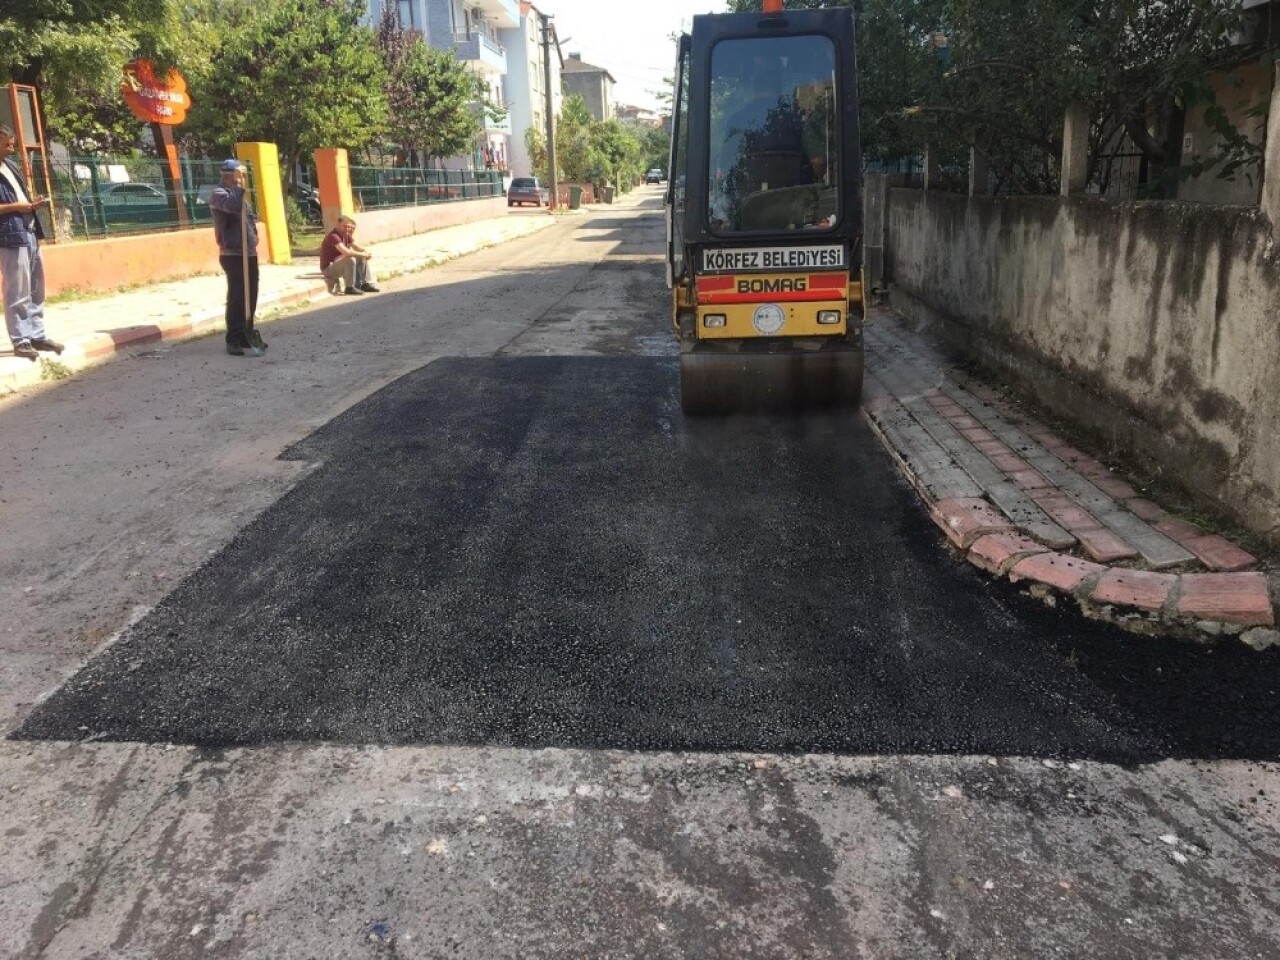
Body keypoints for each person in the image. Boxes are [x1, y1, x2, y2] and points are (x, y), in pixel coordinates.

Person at [0, 123, 62, 361]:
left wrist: (32, 203)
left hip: (30, 231)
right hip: (9, 236)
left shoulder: (11, 166)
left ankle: (37, 334)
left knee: (36, 287)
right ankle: (20, 340)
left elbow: (20, 196)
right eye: (7, 144)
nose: (11, 148)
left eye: (12, 143)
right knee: (17, 289)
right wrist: (19, 207)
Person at [208, 158, 265, 357]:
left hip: (248, 252)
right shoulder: (219, 194)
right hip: (232, 253)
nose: (244, 177)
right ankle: (233, 339)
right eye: (240, 173)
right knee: (237, 296)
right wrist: (239, 185)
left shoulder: (242, 197)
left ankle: (246, 333)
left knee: (251, 293)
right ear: (229, 174)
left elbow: (248, 219)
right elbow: (232, 206)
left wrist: (255, 235)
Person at [320, 215, 379, 295]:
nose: (347, 229)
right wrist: (362, 254)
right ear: (338, 224)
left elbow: (357, 247)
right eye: (344, 226)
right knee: (350, 259)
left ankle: (365, 284)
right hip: (329, 269)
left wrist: (365, 253)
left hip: (338, 263)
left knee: (360, 257)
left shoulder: (346, 235)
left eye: (348, 227)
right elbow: (346, 252)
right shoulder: (333, 236)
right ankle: (349, 288)